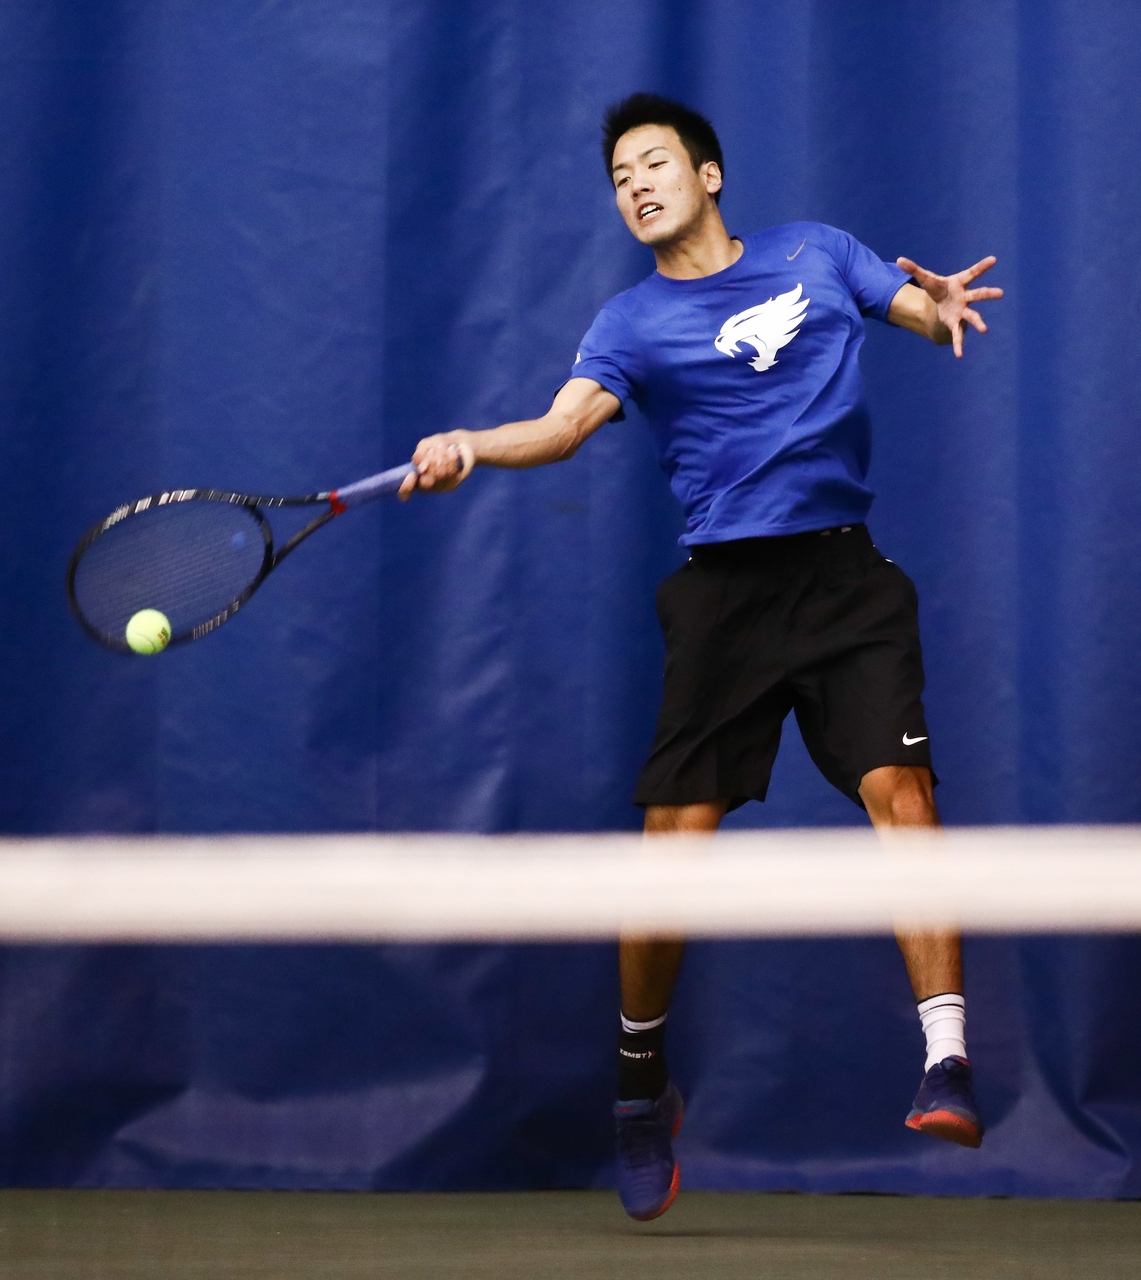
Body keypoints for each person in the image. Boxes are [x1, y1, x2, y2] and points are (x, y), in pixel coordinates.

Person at [401, 92, 1003, 1221]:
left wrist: (939, 305)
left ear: (709, 173)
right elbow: (565, 424)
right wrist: (475, 444)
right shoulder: (628, 322)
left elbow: (912, 310)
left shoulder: (814, 253)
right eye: (619, 174)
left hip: (844, 580)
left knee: (900, 787)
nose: (634, 183)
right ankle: (639, 1081)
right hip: (724, 595)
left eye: (653, 163)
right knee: (670, 849)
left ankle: (946, 1058)